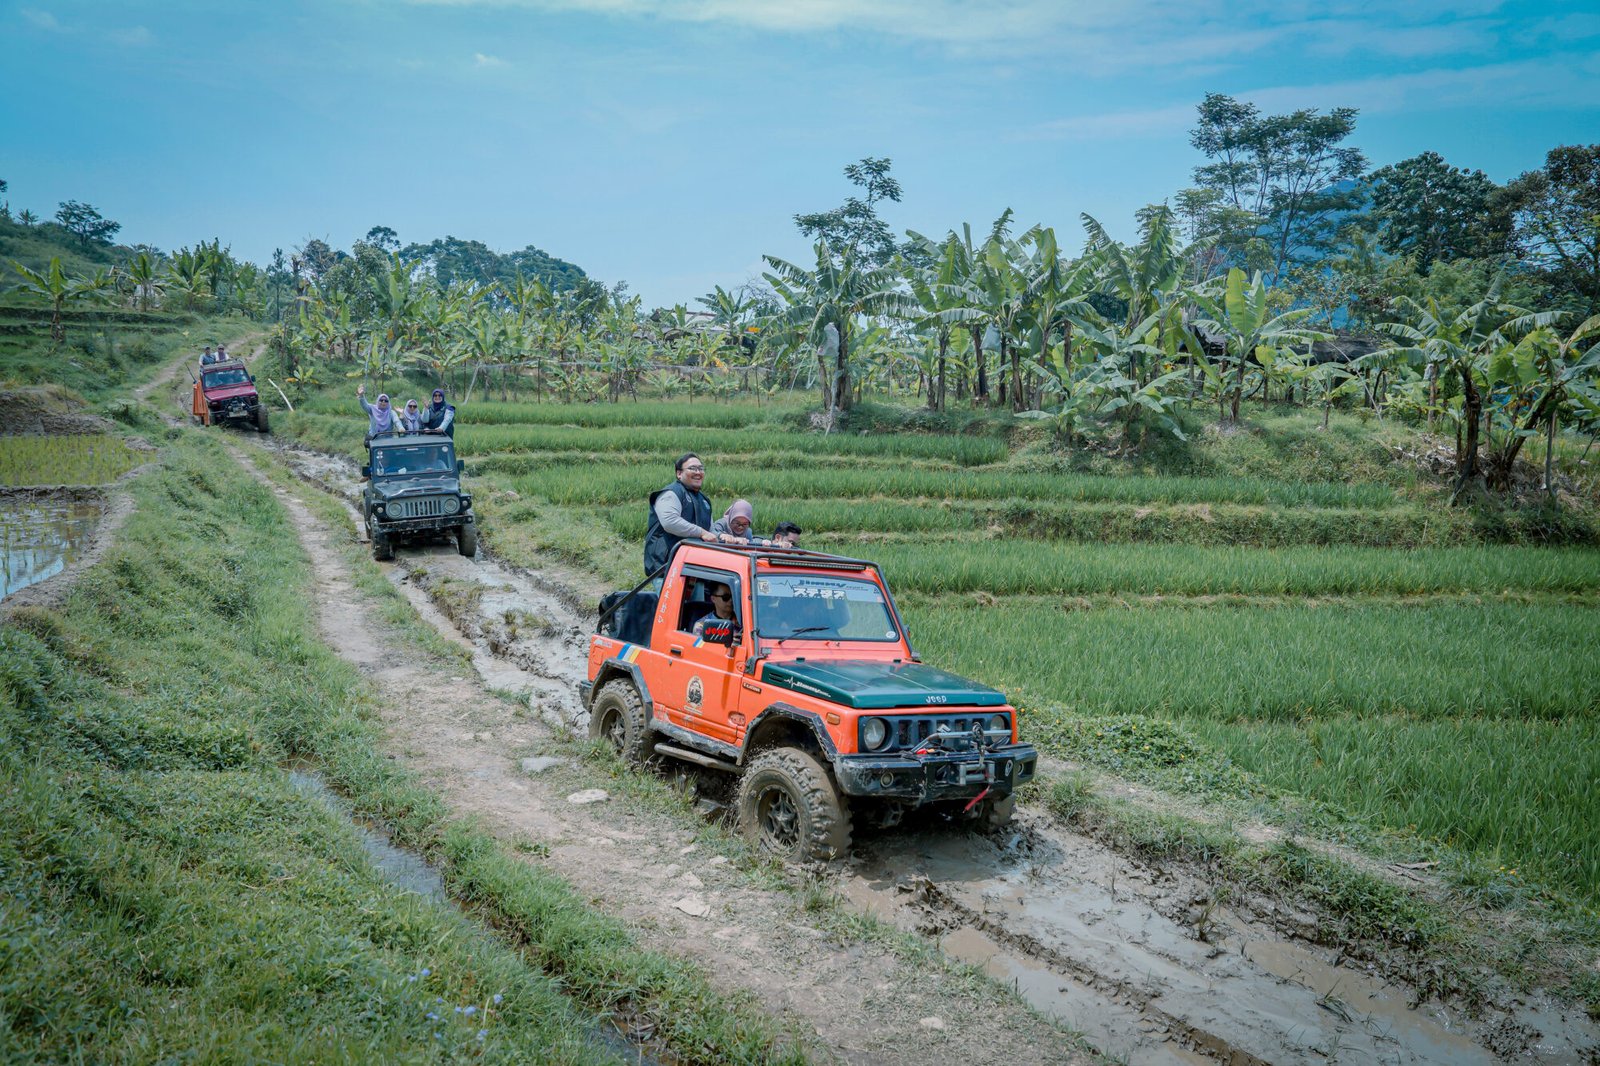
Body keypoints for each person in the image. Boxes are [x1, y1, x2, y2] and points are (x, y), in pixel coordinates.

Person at [644, 452, 738, 575]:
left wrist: (722, 536)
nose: (698, 472)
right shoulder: (671, 493)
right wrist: (702, 532)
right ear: (679, 473)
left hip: (693, 567)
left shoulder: (704, 500)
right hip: (666, 565)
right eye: (692, 468)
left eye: (701, 468)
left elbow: (710, 531)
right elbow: (670, 521)